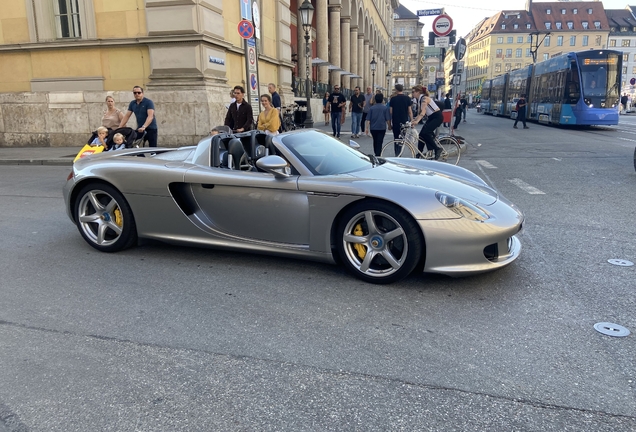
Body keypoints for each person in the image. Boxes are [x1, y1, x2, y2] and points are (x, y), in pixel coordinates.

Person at [412, 85, 443, 160]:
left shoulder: (424, 99)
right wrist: (413, 120)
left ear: (418, 92)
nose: (412, 93)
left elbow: (423, 112)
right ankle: (420, 153)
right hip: (431, 117)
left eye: (413, 92)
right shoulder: (419, 100)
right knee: (421, 135)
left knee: (426, 133)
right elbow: (419, 113)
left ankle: (437, 149)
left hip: (437, 117)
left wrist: (417, 122)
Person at [388, 84, 413, 156]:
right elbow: (410, 111)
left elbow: (391, 111)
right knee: (402, 138)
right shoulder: (407, 98)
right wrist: (412, 120)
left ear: (396, 90)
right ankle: (400, 152)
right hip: (404, 121)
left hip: (395, 121)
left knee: (396, 138)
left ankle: (397, 153)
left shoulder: (393, 99)